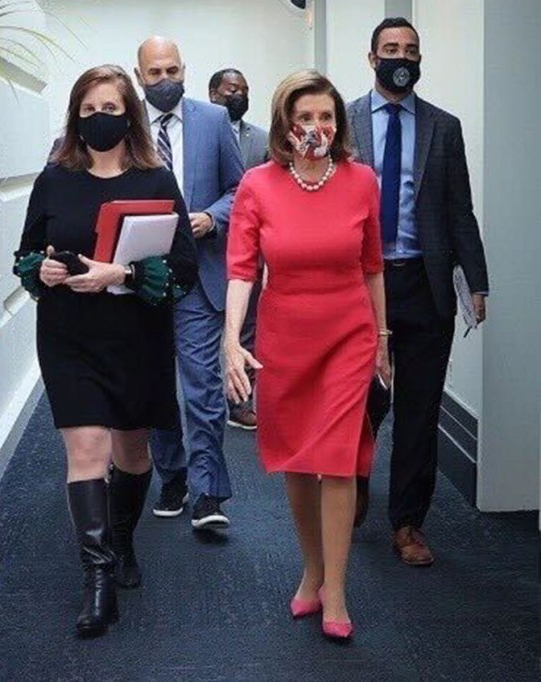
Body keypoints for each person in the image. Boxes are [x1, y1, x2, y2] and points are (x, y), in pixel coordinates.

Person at [13, 65, 198, 638]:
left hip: (136, 336)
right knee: (87, 451)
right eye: (88, 110)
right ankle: (97, 581)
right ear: (75, 117)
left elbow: (185, 271)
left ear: (130, 114)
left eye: (110, 108)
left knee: (133, 451)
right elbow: (25, 258)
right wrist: (39, 269)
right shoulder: (54, 179)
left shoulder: (156, 181)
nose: (99, 119)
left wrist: (122, 273)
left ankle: (122, 538)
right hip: (69, 335)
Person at [223, 70, 390, 641]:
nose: (317, 127)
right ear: (284, 125)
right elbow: (242, 270)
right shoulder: (257, 184)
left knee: (339, 458)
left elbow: (372, 265)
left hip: (348, 333)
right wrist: (230, 342)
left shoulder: (362, 180)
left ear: (339, 122)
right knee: (296, 459)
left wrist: (383, 341)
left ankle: (337, 589)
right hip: (285, 335)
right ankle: (312, 569)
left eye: (326, 117)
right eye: (305, 118)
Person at [347, 18, 488, 564]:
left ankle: (407, 523)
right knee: (360, 398)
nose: (400, 57)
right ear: (371, 57)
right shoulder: (343, 123)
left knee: (420, 407)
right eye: (390, 49)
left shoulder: (442, 127)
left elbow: (459, 211)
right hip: (360, 283)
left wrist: (476, 281)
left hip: (424, 282)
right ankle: (355, 476)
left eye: (409, 49)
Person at [135, 37, 245, 530]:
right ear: (139, 77)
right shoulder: (126, 124)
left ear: (184, 70)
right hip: (142, 278)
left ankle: (208, 493)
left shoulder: (214, 121)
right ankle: (173, 475)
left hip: (199, 276)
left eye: (172, 71)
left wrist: (212, 217)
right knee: (156, 386)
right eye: (154, 73)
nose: (164, 81)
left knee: (203, 389)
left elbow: (240, 187)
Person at [209, 68, 269, 431]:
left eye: (245, 90)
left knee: (248, 326)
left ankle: (240, 401)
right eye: (232, 90)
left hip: (250, 247)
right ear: (214, 94)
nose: (240, 96)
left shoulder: (261, 139)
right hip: (209, 242)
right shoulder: (200, 134)